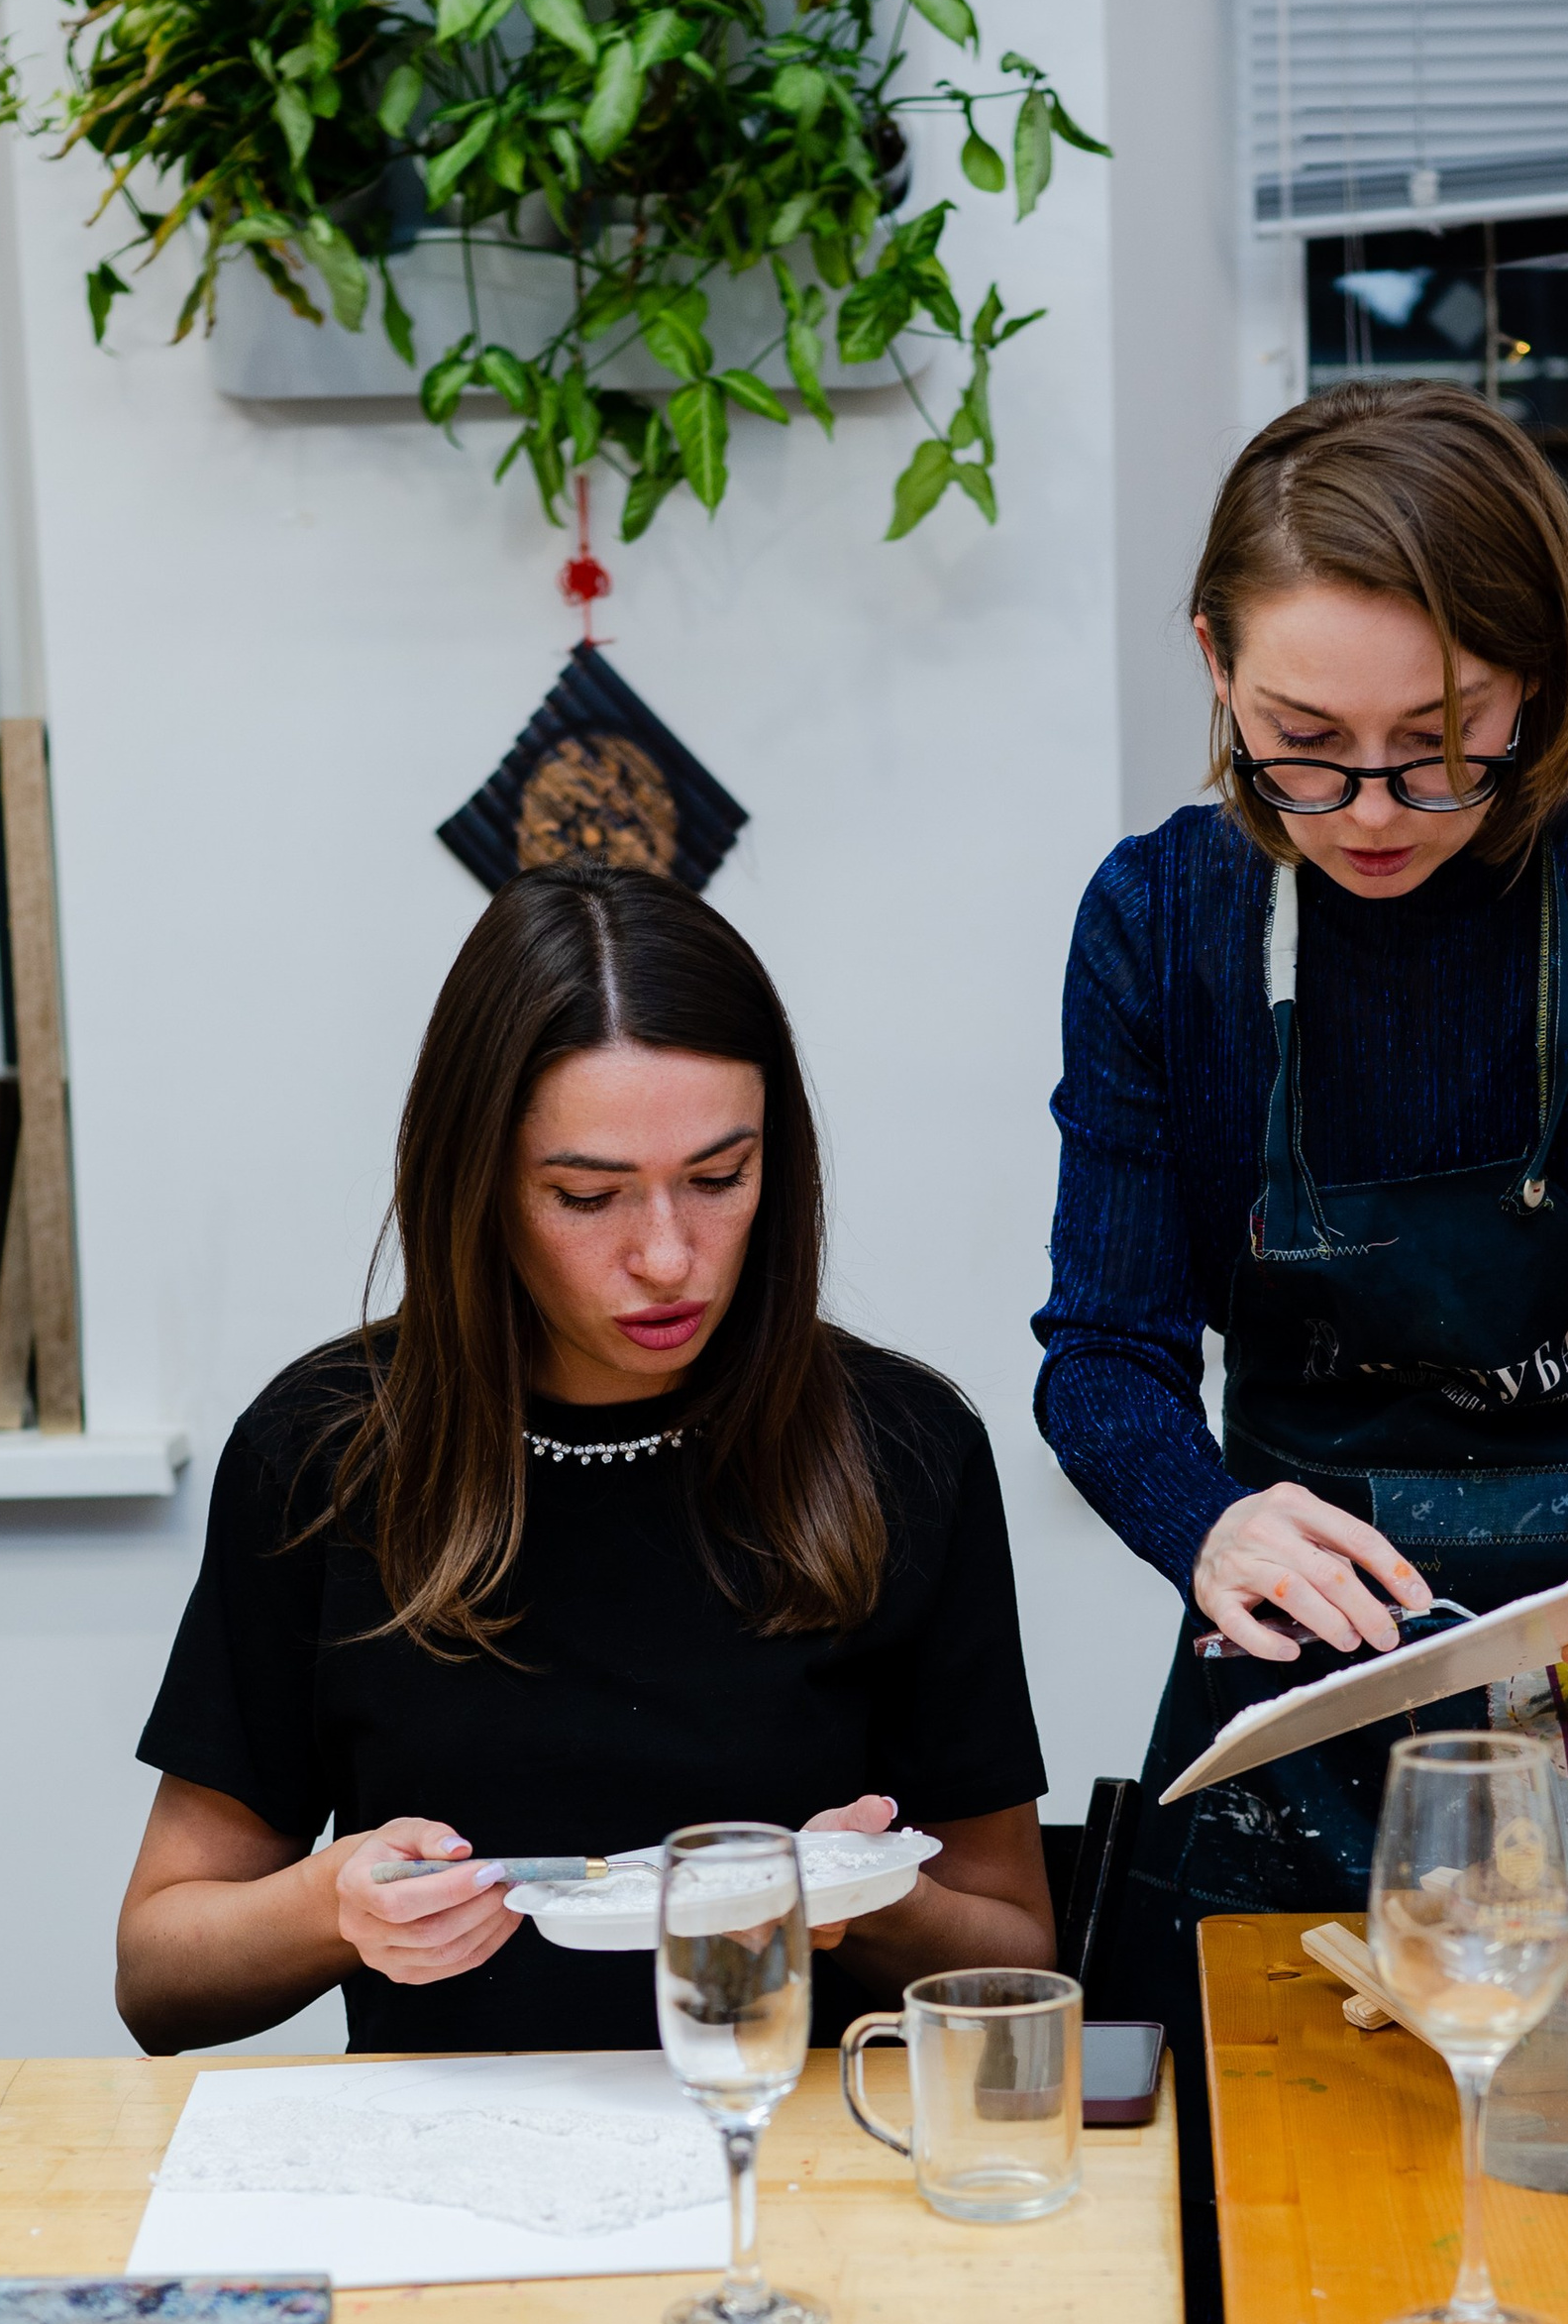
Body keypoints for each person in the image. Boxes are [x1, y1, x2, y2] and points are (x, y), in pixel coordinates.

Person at [1034, 379, 1568, 2070]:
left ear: (1533, 676)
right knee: (1276, 2215)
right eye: (1303, 743)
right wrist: (1210, 1525)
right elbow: (1102, 1356)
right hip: (1306, 1688)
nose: (1374, 806)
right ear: (1212, 663)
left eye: (1444, 740)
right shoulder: (1163, 924)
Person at [119, 865, 1054, 2054]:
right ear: (478, 1189)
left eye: (720, 1178)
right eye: (585, 1195)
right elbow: (157, 1971)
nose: (669, 1256)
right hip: (441, 2182)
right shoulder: (327, 1447)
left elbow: (1019, 1948)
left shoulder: (899, 1444)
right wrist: (329, 1903)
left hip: (799, 2156)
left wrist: (866, 1902)